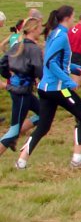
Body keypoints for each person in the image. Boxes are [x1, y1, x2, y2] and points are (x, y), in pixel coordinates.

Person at [16, 6, 81, 169]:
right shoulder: (61, 36)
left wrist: (73, 67)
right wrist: (69, 81)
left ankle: (21, 161)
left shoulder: (53, 33)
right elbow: (51, 62)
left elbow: (54, 60)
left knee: (43, 126)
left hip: (45, 88)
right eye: (73, 17)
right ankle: (77, 159)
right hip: (58, 89)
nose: (73, 20)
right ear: (67, 18)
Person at [0, 18, 43, 156]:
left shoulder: (16, 45)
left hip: (21, 90)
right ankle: (13, 137)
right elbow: (39, 70)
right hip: (21, 92)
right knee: (13, 129)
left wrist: (10, 77)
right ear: (33, 29)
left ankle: (15, 136)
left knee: (44, 114)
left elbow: (2, 64)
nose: (41, 30)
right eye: (39, 28)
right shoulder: (34, 48)